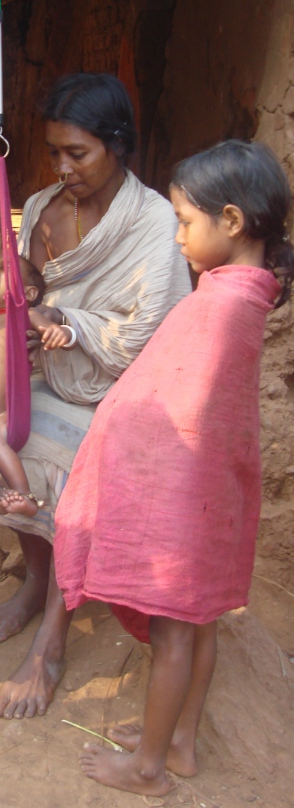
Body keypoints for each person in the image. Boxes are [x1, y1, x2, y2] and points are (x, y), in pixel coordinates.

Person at [0, 73, 191, 719]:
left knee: (68, 467)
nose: (61, 167)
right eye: (53, 152)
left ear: (117, 145)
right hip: (43, 380)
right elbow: (18, 303)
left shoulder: (153, 221)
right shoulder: (39, 209)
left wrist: (69, 324)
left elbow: (150, 339)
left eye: (75, 153)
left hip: (117, 392)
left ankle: (52, 636)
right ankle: (33, 578)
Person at [53, 139, 293, 795]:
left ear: (232, 221)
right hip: (212, 497)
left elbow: (175, 412)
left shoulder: (214, 307)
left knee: (171, 637)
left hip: (181, 504)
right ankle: (180, 741)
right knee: (199, 621)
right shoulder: (246, 296)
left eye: (186, 222)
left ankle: (147, 767)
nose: (179, 236)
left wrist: (116, 446)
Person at [0, 255, 71, 517]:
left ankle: (24, 495)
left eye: (4, 268)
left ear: (28, 292)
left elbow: (53, 330)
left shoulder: (23, 316)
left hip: (4, 416)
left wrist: (60, 332)